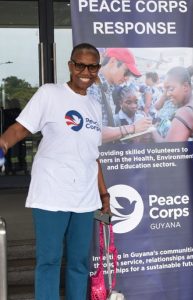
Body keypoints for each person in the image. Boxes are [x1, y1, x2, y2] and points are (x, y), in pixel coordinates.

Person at [0, 43, 111, 300]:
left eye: (92, 66)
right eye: (80, 65)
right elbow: (20, 129)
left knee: (79, 263)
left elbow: (93, 156)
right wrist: (3, 144)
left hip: (84, 197)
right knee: (49, 261)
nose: (86, 71)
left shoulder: (95, 106)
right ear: (70, 66)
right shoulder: (49, 94)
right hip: (51, 193)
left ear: (97, 70)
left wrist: (103, 196)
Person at [88, 47, 152, 143]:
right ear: (113, 61)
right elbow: (91, 133)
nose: (127, 78)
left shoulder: (107, 88)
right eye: (126, 72)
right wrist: (133, 128)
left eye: (129, 75)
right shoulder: (91, 86)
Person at [150, 66, 193, 142]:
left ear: (185, 86)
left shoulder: (184, 112)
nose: (167, 94)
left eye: (171, 89)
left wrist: (152, 130)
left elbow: (169, 150)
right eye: (166, 90)